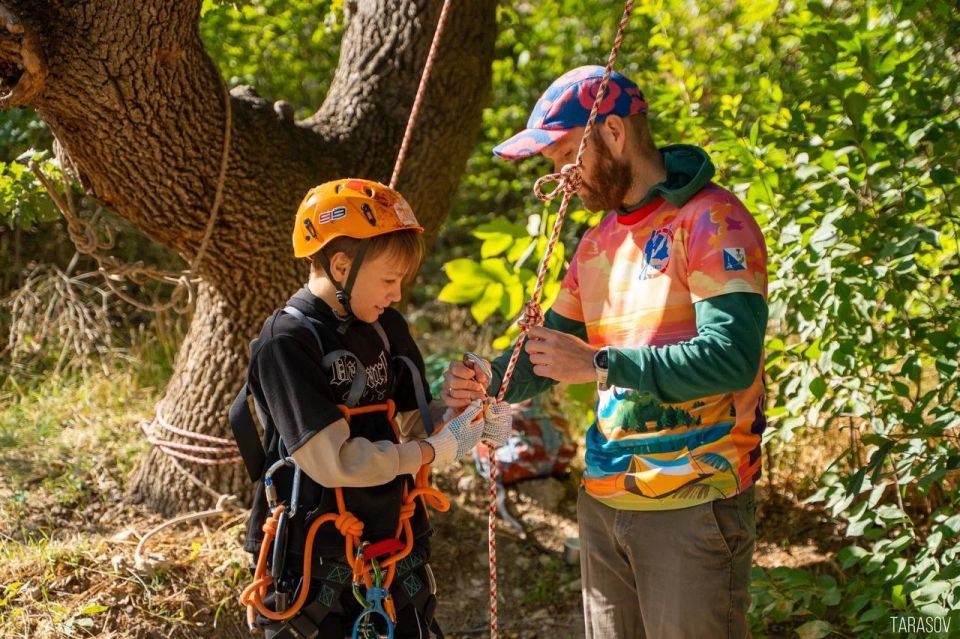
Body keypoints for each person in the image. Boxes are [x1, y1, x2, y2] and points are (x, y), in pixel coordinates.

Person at [441, 65, 768, 639]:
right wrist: (486, 380)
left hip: (693, 503)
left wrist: (599, 363)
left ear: (613, 133)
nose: (563, 177)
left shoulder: (713, 220)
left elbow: (731, 358)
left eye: (567, 154)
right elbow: (544, 360)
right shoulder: (597, 242)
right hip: (603, 501)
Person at [240, 178, 493, 638]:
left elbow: (420, 422)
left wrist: (465, 414)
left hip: (392, 537)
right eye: (389, 280)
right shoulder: (286, 343)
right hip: (314, 553)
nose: (396, 295)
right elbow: (332, 461)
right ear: (341, 266)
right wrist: (431, 452)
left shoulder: (384, 327)